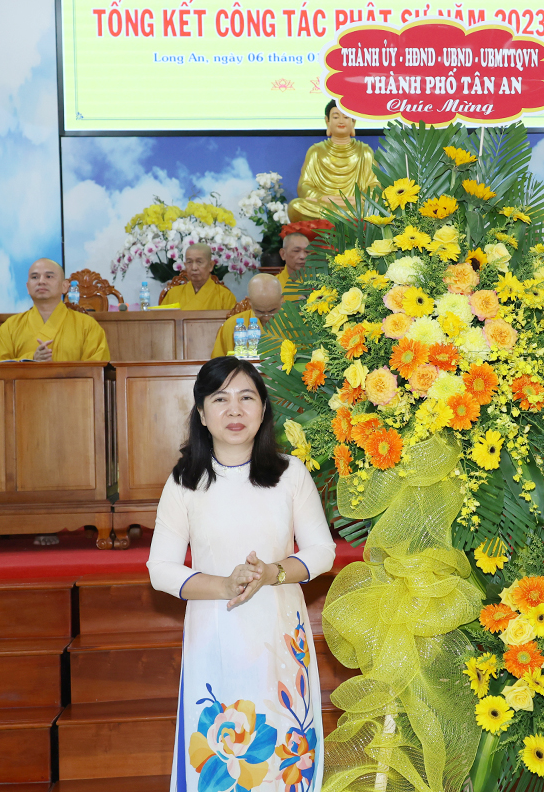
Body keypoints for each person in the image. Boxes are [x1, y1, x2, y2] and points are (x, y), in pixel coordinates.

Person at [148, 357, 335, 792]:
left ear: (263, 409)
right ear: (202, 413)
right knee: (221, 761)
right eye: (220, 399)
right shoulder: (185, 480)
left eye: (246, 397)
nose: (234, 410)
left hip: (279, 629)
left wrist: (272, 573)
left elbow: (322, 551)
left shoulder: (290, 474)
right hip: (215, 630)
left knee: (285, 753)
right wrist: (224, 585)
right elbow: (160, 568)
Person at [0, 259, 110, 363]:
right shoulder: (10, 327)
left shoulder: (88, 326)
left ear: (64, 286)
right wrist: (32, 359)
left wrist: (57, 373)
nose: (41, 281)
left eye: (49, 276)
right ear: (28, 287)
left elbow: (98, 370)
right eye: (35, 277)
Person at [287, 100, 377, 222]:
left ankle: (337, 217)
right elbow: (304, 186)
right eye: (335, 117)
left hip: (355, 206)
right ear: (327, 121)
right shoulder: (316, 151)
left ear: (353, 121)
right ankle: (343, 218)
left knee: (381, 207)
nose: (341, 121)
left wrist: (359, 198)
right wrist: (323, 198)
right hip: (325, 205)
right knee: (296, 206)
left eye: (346, 117)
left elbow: (375, 185)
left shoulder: (365, 151)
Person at [211, 274, 284, 358]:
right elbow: (218, 362)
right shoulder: (232, 325)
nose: (266, 317)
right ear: (249, 301)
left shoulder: (294, 323)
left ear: (281, 299)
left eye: (272, 311)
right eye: (259, 311)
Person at [158, 244, 237, 309]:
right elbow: (162, 321)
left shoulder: (225, 296)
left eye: (199, 262)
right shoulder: (173, 294)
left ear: (210, 266)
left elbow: (232, 322)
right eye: (189, 262)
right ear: (185, 265)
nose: (194, 267)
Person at [275, 232, 310, 300]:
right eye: (296, 251)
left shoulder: (319, 283)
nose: (303, 256)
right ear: (283, 254)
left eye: (307, 252)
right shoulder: (272, 285)